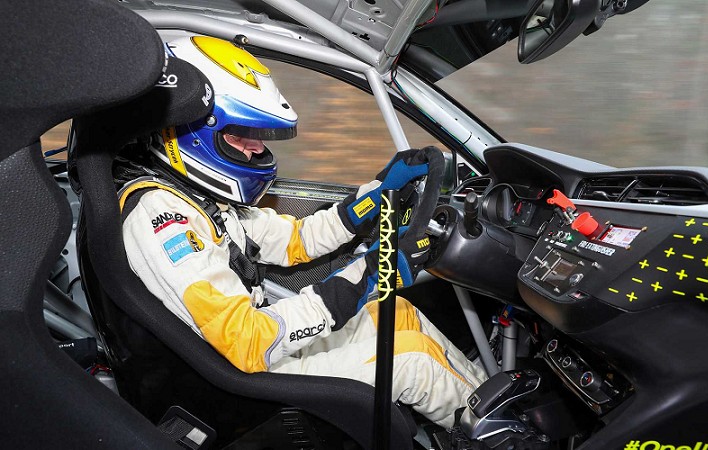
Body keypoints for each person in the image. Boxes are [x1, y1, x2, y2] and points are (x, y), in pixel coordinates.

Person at [118, 35, 487, 428]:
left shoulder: (194, 198)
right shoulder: (162, 218)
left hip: (256, 350)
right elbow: (246, 340)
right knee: (415, 362)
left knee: (397, 312)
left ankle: (492, 404)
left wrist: (374, 196)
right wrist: (373, 271)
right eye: (240, 135)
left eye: (258, 135)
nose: (255, 148)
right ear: (188, 131)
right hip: (246, 379)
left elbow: (295, 241)